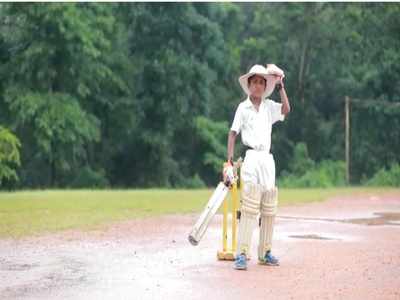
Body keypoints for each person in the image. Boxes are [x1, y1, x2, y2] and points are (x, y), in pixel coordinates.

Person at [223, 64, 291, 270]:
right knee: (250, 206)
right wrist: (229, 160)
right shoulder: (242, 108)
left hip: (267, 160)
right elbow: (233, 133)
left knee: (269, 207)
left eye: (262, 82)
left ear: (265, 86)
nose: (258, 86)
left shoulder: (270, 106)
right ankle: (242, 254)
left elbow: (287, 109)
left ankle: (265, 252)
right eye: (255, 82)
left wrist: (280, 86)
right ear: (249, 85)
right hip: (251, 158)